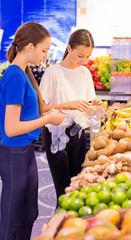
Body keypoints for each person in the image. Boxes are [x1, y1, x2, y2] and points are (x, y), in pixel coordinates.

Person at [0, 22, 66, 240]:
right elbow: (11, 128)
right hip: (13, 153)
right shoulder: (15, 76)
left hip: (25, 152)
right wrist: (47, 119)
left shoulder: (24, 73)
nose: (46, 55)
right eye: (44, 50)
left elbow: (33, 111)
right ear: (30, 47)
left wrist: (57, 111)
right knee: (13, 217)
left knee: (29, 213)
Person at [39, 29, 101, 207]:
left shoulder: (85, 73)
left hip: (79, 135)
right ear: (69, 48)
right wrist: (67, 104)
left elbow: (88, 103)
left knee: (77, 186)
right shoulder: (53, 72)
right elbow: (41, 108)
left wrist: (94, 106)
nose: (84, 61)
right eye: (80, 55)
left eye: (87, 57)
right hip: (55, 135)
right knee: (63, 191)